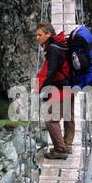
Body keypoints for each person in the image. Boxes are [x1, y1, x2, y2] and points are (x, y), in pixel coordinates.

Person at [33, 23, 75, 159]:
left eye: (39, 35)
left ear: (48, 34)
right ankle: (67, 145)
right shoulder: (61, 43)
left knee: (50, 120)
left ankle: (60, 150)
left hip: (60, 89)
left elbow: (51, 72)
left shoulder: (53, 49)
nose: (37, 37)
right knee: (68, 116)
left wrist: (44, 91)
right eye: (36, 35)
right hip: (70, 85)